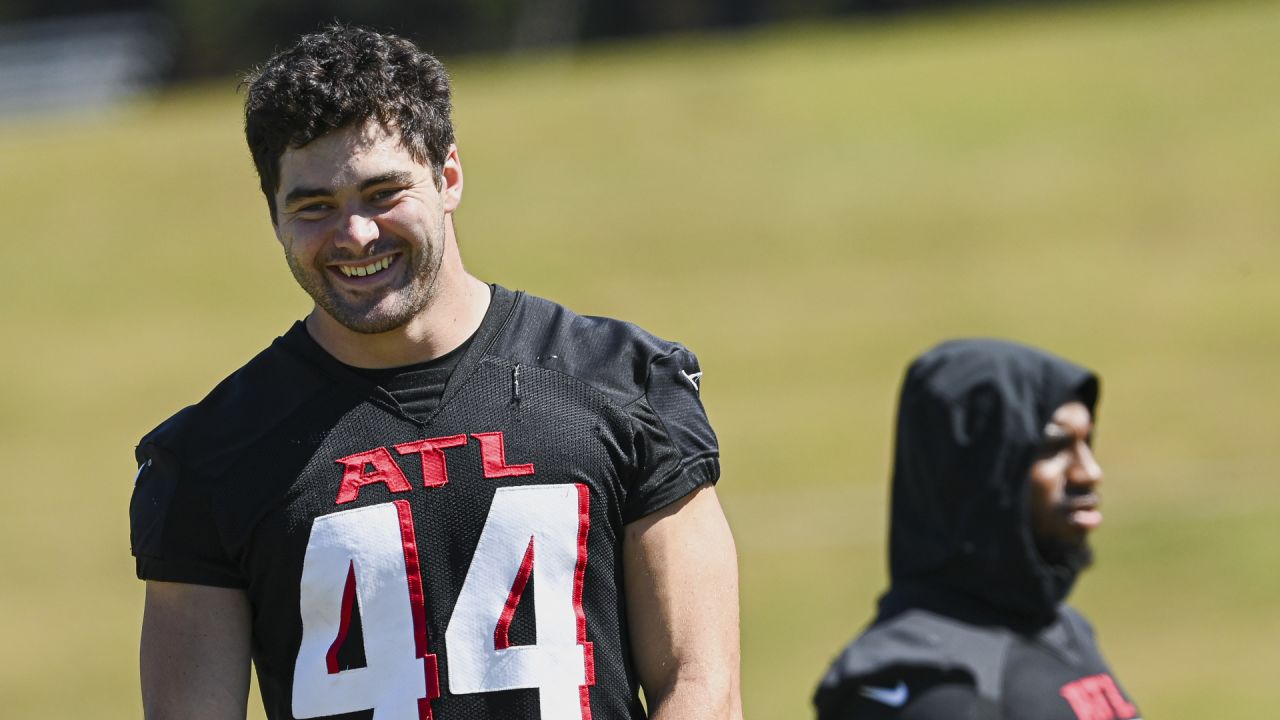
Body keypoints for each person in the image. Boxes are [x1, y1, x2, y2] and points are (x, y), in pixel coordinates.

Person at [129, 25, 741, 720]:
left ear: (448, 178)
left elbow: (703, 689)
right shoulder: (210, 458)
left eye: (383, 192)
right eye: (314, 206)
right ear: (273, 215)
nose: (355, 234)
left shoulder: (622, 383)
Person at [813, 339, 1139, 720]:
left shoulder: (1063, 631)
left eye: (1088, 443)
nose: (1089, 472)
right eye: (1054, 446)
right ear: (980, 468)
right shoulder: (928, 683)